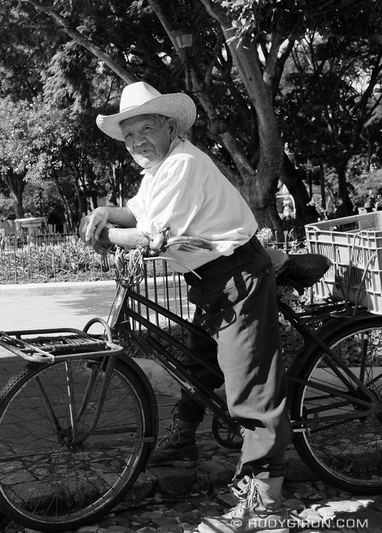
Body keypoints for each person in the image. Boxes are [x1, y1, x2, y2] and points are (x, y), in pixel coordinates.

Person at [82, 82, 291, 533]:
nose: (137, 141)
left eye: (146, 129)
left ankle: (266, 503)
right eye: (130, 133)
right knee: (198, 364)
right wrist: (103, 212)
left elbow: (150, 235)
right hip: (209, 279)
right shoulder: (157, 170)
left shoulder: (182, 164)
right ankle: (183, 440)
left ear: (170, 126)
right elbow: (136, 213)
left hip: (238, 276)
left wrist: (107, 235)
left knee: (250, 389)